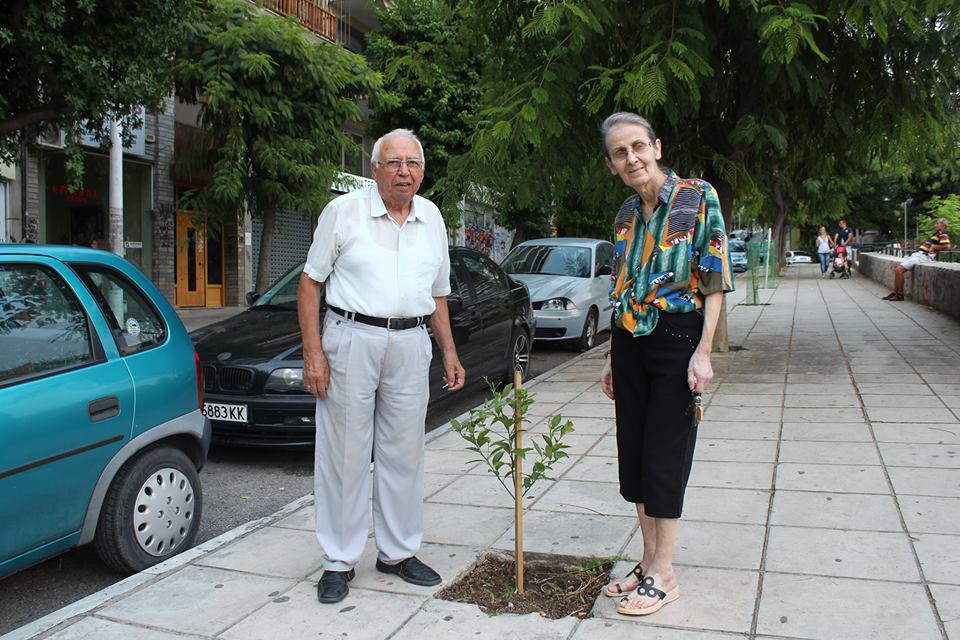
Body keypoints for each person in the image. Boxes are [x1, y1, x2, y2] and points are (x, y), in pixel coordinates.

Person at [297, 128, 466, 605]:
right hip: (351, 337)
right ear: (374, 169)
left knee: (403, 453)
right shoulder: (343, 212)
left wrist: (449, 352)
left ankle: (396, 552)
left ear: (423, 171)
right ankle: (338, 559)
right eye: (393, 162)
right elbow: (310, 284)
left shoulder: (432, 217)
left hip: (411, 342)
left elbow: (437, 293)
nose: (403, 171)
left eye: (412, 163)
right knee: (345, 453)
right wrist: (314, 353)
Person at [598, 113, 733, 616]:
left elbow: (713, 277)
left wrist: (703, 351)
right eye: (619, 152)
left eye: (638, 147)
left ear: (656, 146)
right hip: (629, 341)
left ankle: (665, 574)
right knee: (633, 457)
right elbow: (620, 286)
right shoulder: (625, 215)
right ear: (612, 164)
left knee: (664, 455)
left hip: (677, 339)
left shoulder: (698, 196)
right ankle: (648, 559)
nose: (631, 158)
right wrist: (612, 355)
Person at [883, 217, 951, 301]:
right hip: (918, 255)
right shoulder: (937, 234)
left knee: (898, 270)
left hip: (923, 256)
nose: (935, 225)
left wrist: (934, 246)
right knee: (897, 271)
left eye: (937, 223)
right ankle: (895, 292)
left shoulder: (943, 233)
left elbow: (947, 246)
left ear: (943, 225)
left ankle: (900, 295)